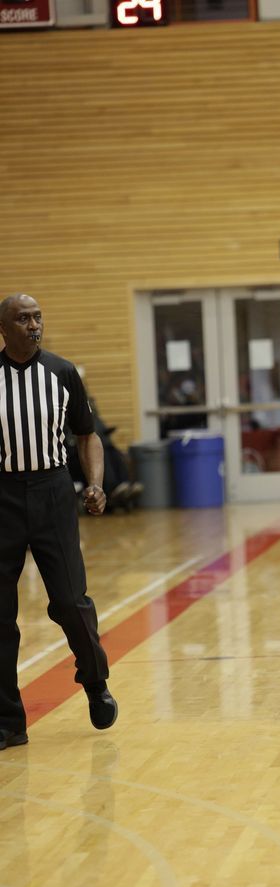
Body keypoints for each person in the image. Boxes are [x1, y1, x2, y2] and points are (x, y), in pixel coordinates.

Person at [0, 294, 118, 750]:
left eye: (37, 317)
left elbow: (88, 436)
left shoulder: (62, 373)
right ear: (4, 328)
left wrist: (96, 483)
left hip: (52, 492)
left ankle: (95, 683)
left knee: (71, 601)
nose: (33, 325)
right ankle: (9, 722)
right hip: (4, 495)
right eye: (22, 319)